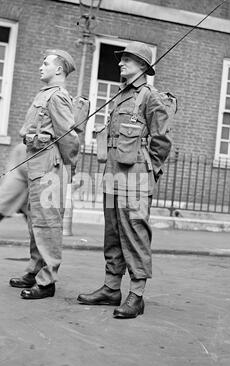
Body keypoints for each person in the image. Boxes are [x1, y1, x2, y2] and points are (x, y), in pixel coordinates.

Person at [77, 42, 173, 318]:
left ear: (142, 66)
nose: (121, 63)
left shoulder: (152, 98)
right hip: (113, 172)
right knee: (113, 233)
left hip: (136, 174)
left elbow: (162, 141)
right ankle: (110, 288)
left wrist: (148, 169)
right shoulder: (119, 96)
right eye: (122, 59)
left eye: (128, 60)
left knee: (134, 231)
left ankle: (137, 294)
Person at [9, 49, 79, 300]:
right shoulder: (45, 94)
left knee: (47, 223)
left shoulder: (58, 97)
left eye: (46, 63)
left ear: (58, 70)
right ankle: (34, 269)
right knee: (35, 221)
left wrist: (67, 167)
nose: (41, 66)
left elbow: (69, 137)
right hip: (37, 165)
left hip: (50, 167)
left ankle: (47, 281)